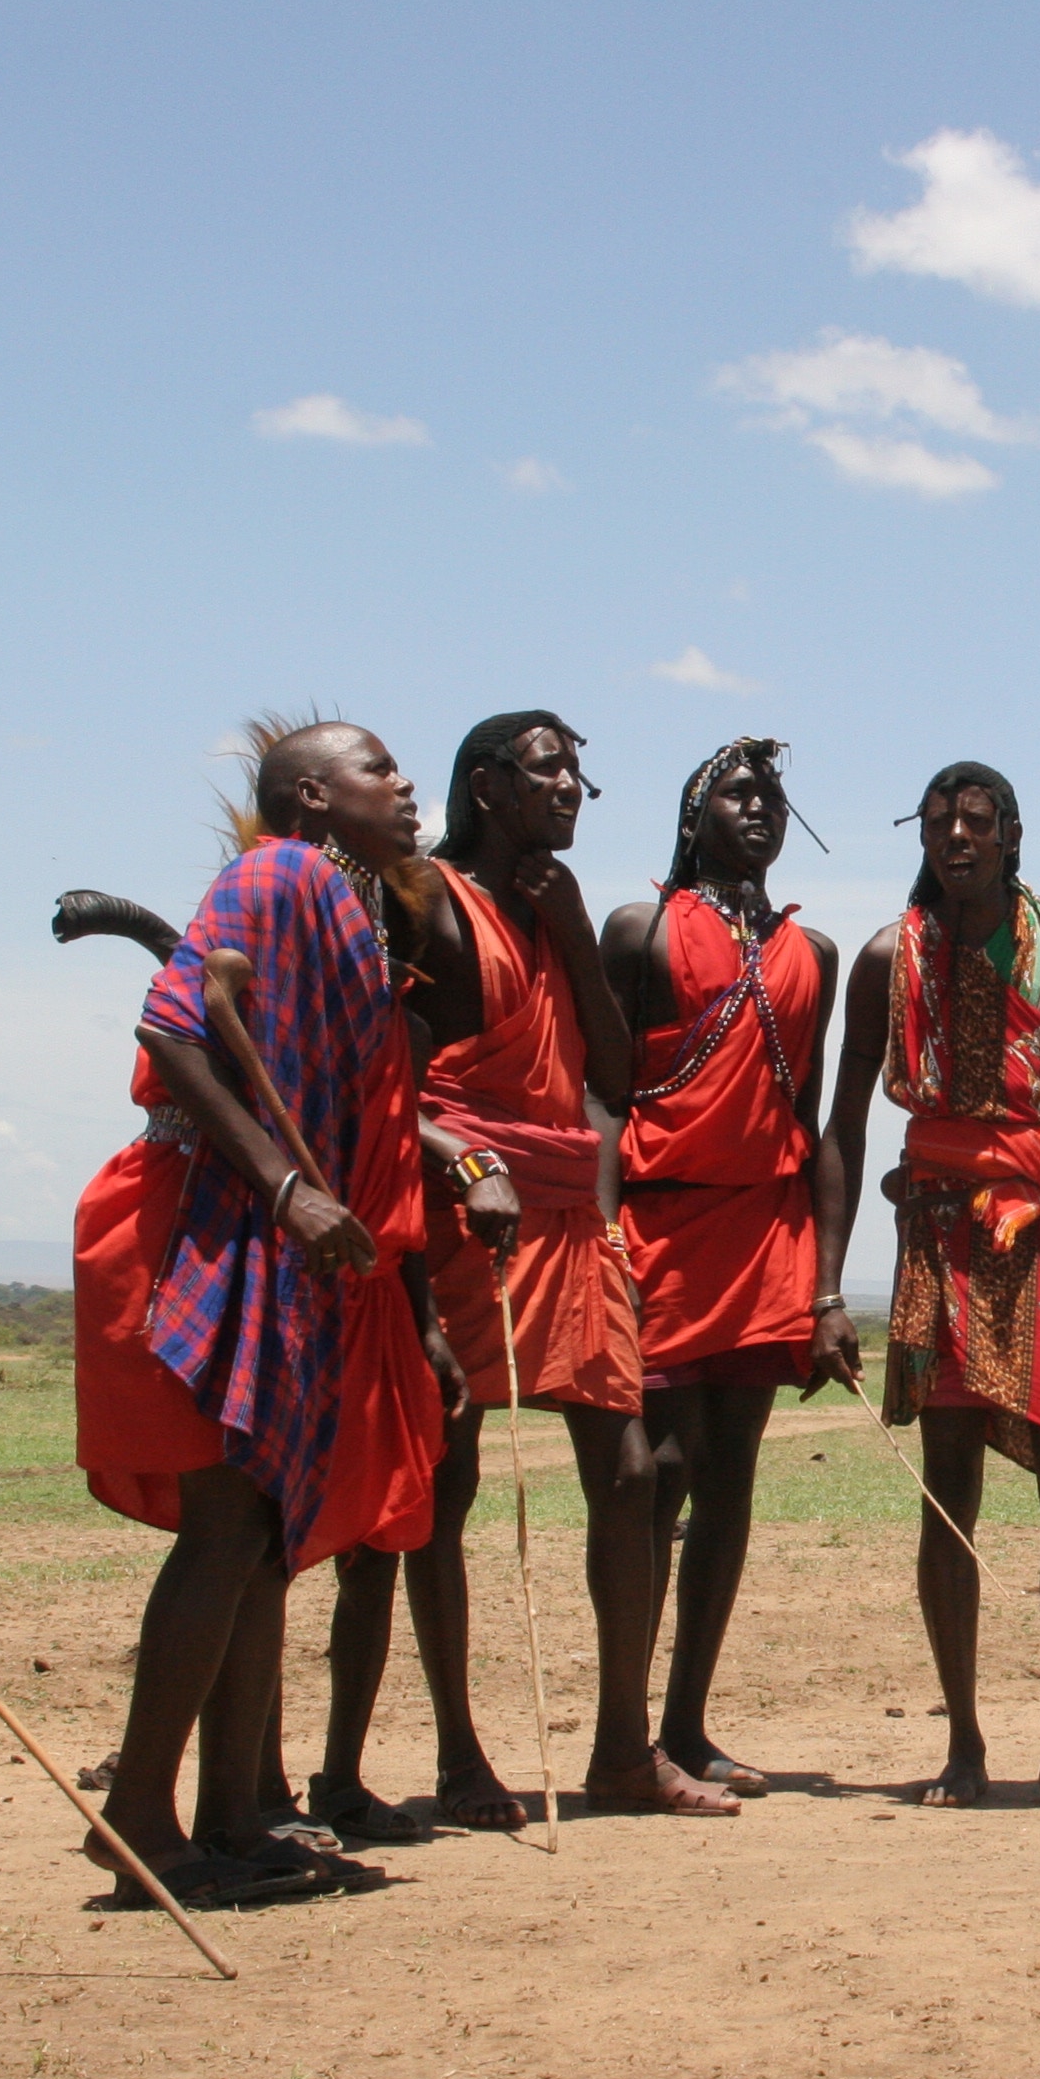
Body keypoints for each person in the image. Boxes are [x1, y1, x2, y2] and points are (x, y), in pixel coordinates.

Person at [312, 714, 734, 1828]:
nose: (572, 787)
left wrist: (574, 933)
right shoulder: (420, 898)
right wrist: (458, 1164)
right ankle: (461, 1757)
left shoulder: (554, 910)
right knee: (443, 1484)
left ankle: (622, 1750)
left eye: (577, 771)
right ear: (488, 784)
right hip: (464, 1208)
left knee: (630, 1472)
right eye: (549, 769)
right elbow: (380, 1074)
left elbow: (612, 1077)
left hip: (567, 1212)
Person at [68, 720, 463, 1906]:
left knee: (260, 1533)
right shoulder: (275, 872)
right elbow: (173, 1025)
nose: (404, 784)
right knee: (228, 1524)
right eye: (377, 767)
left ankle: (234, 1815)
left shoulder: (344, 902)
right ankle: (141, 1819)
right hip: (214, 1217)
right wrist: (290, 1188)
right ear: (311, 794)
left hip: (283, 1235)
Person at [810, 765, 1040, 1813]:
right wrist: (826, 1291)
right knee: (948, 1485)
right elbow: (845, 1124)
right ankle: (963, 1743)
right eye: (939, 822)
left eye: (976, 821)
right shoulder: (887, 957)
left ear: (1011, 834)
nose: (956, 835)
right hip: (944, 1232)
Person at [601, 740, 835, 1796]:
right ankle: (625, 1731)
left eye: (773, 796)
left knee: (731, 1478)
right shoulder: (639, 929)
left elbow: (811, 1118)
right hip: (657, 1226)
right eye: (738, 793)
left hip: (766, 1232)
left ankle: (687, 1725)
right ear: (693, 816)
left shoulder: (811, 950)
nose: (759, 809)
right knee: (656, 1472)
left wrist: (824, 1282)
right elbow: (603, 1096)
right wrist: (603, 1234)